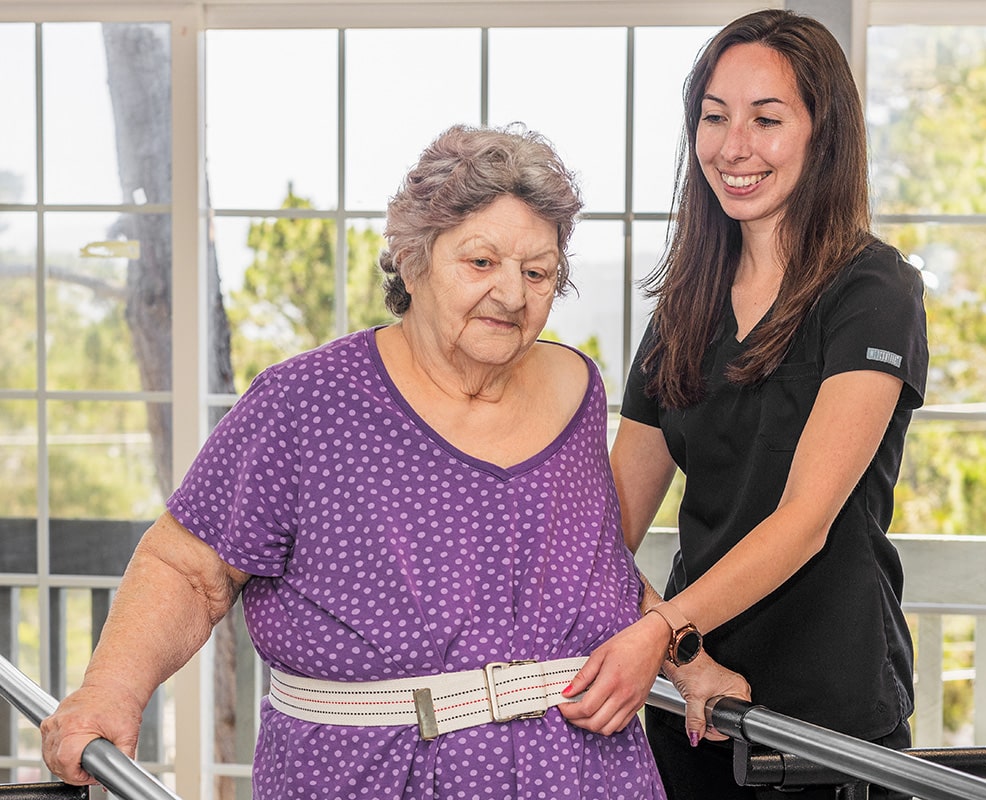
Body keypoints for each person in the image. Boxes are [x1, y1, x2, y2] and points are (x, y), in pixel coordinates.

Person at [41, 124, 667, 800]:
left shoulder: (577, 385)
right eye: (481, 263)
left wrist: (682, 650)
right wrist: (108, 692)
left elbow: (595, 569)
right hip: (367, 775)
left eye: (537, 272)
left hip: (584, 773)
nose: (514, 296)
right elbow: (190, 571)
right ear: (412, 257)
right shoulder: (305, 402)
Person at [560, 10, 928, 800]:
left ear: (822, 133)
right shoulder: (685, 306)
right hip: (692, 708)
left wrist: (659, 630)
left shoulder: (873, 293)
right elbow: (606, 519)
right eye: (715, 117)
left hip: (829, 718)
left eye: (767, 119)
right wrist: (685, 658)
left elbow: (804, 521)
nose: (734, 146)